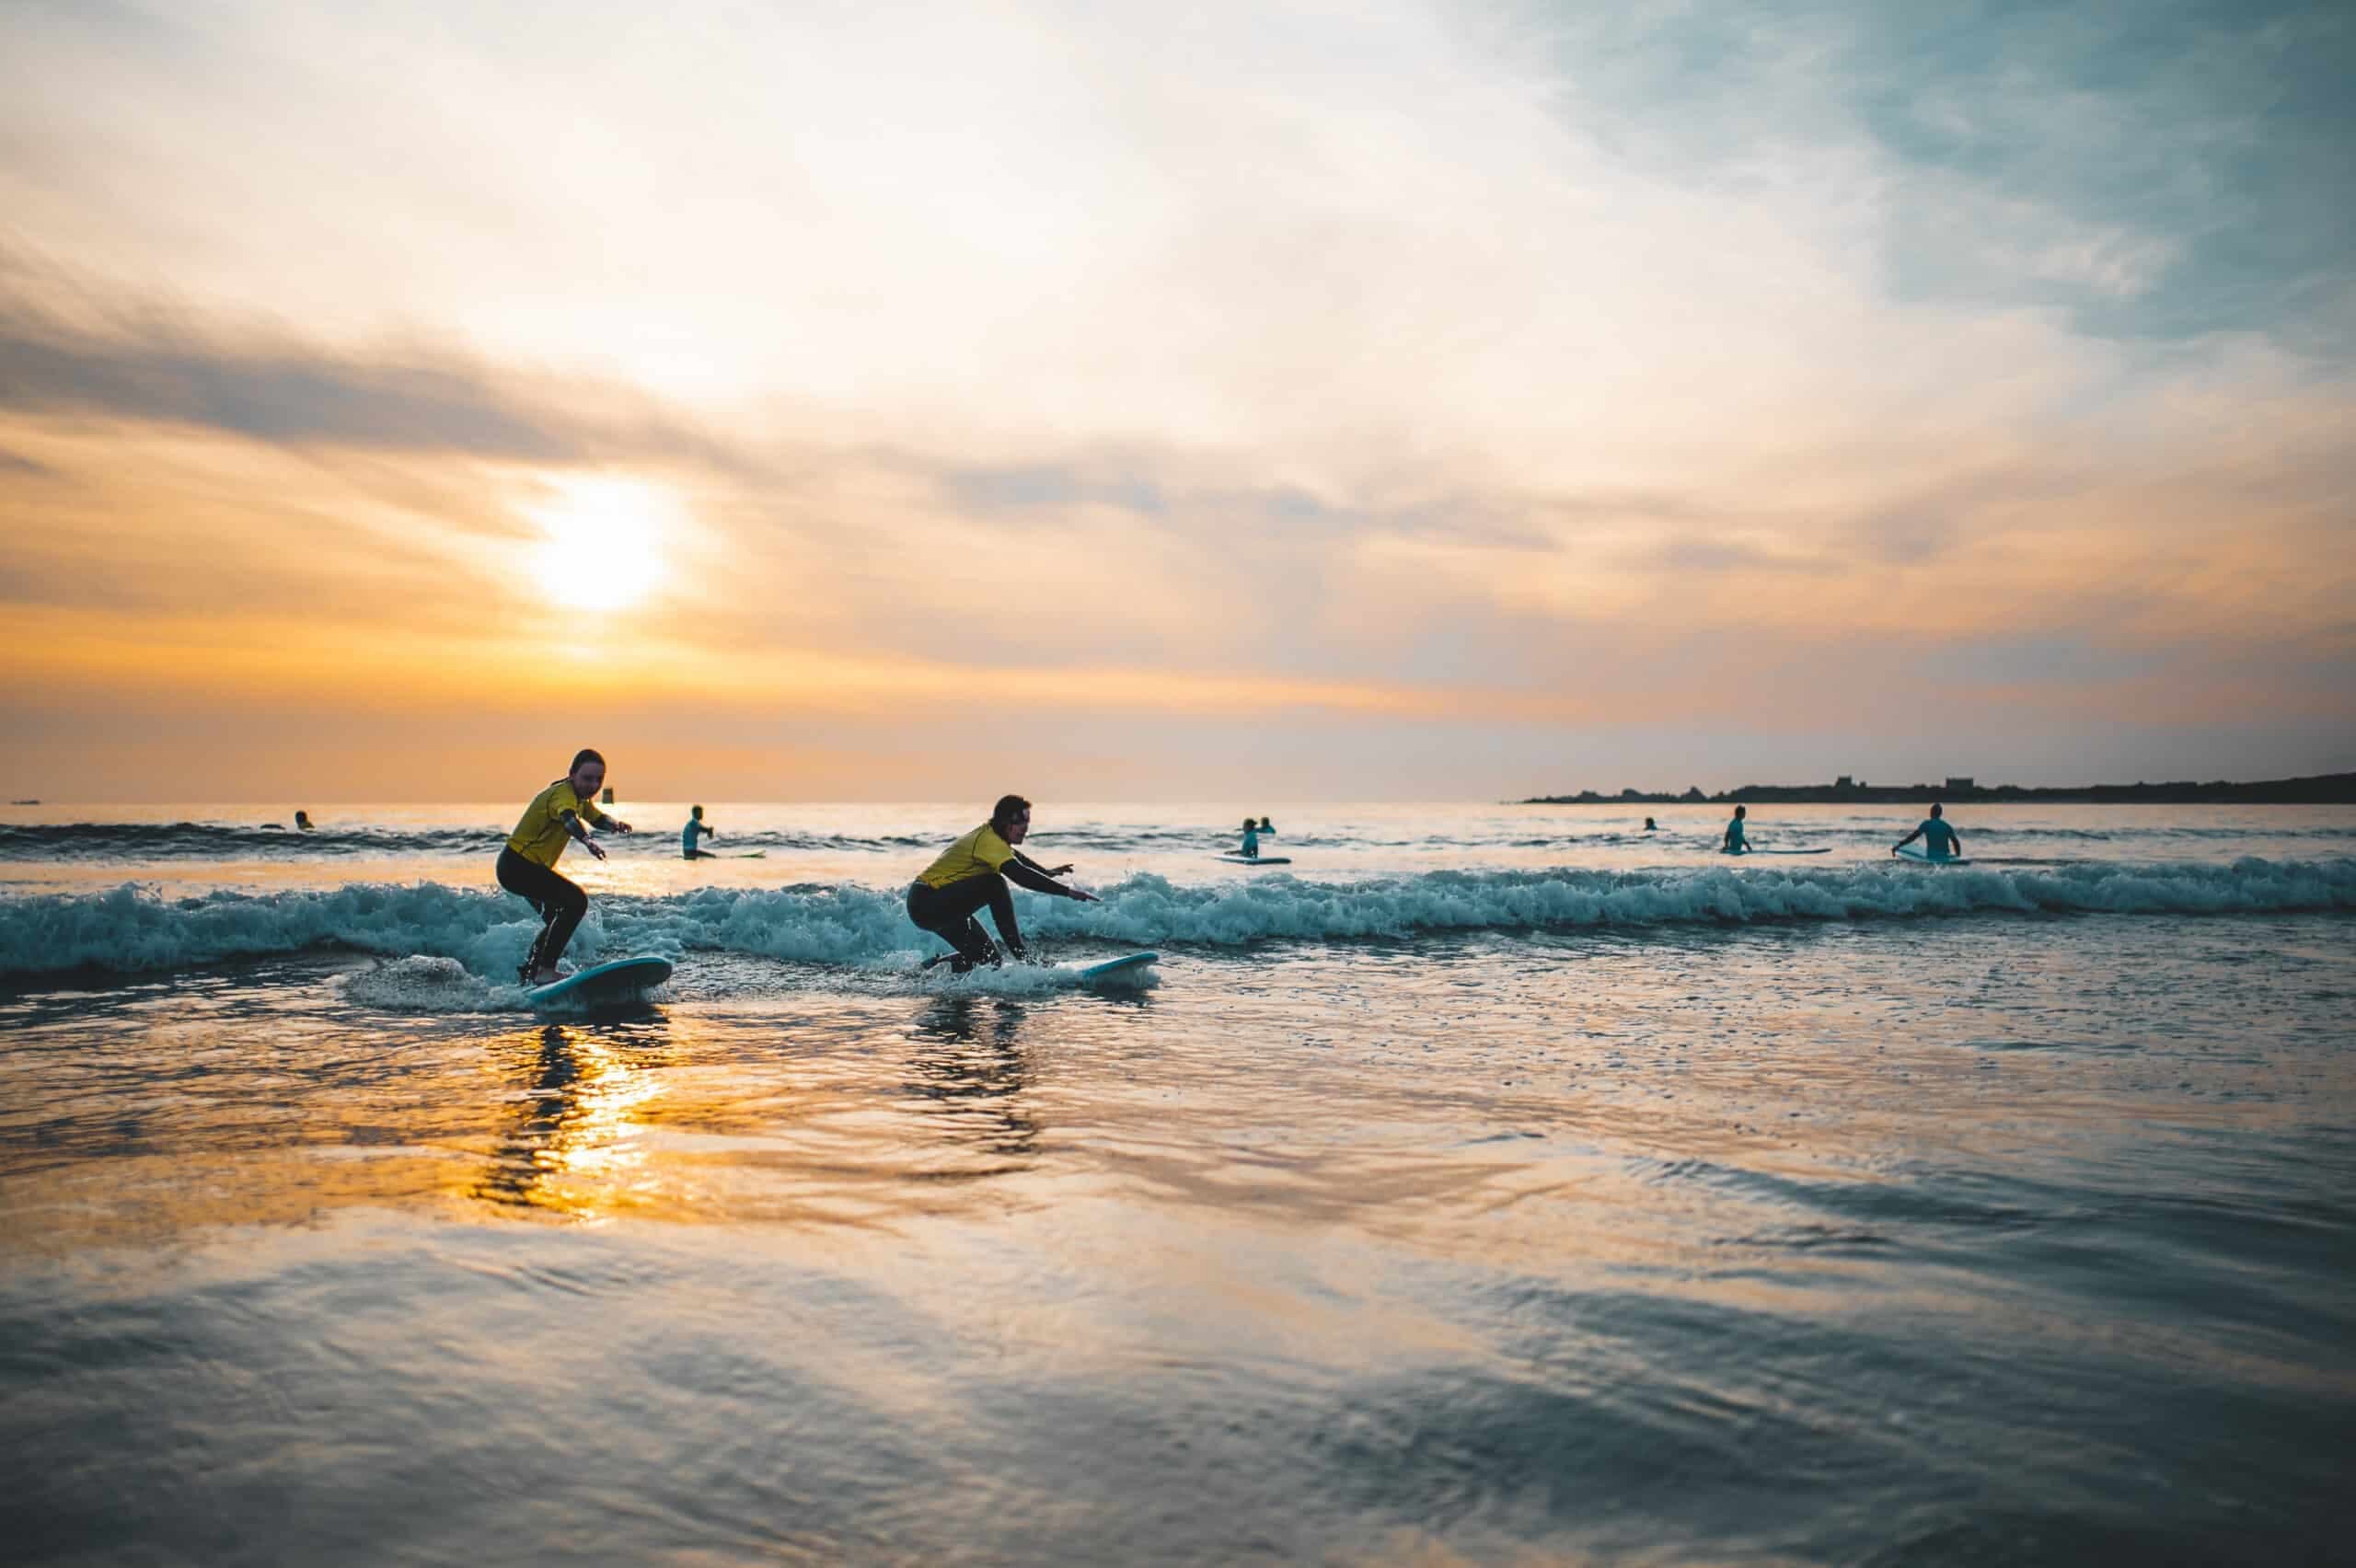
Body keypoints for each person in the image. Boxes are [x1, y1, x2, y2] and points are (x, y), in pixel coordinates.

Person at [907, 795, 1096, 973]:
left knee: (989, 961)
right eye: (1021, 821)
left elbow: (1016, 857)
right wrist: (1068, 892)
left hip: (935, 904)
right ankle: (1024, 957)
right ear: (1006, 822)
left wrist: (1046, 872)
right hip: (927, 900)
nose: (1025, 827)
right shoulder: (988, 841)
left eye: (1027, 821)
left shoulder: (995, 840)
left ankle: (924, 972)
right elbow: (1019, 874)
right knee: (994, 883)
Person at [497, 749, 634, 985]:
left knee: (556, 917)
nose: (593, 784)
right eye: (587, 778)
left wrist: (616, 824)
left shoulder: (579, 798)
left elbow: (597, 817)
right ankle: (545, 970)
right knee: (576, 902)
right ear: (572, 775)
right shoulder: (563, 796)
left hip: (521, 867)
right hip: (518, 866)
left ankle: (530, 973)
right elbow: (569, 820)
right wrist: (587, 841)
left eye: (598, 780)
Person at [1895, 802, 1964, 861]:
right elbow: (1956, 842)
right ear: (1940, 814)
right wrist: (1958, 856)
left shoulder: (1926, 824)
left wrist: (1900, 844)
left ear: (1931, 812)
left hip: (1931, 857)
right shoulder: (1947, 826)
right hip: (1945, 857)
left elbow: (1913, 836)